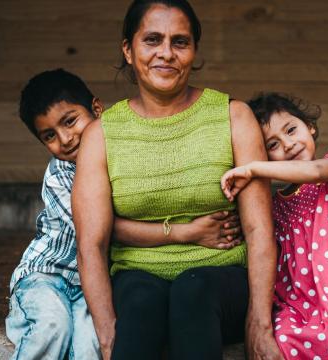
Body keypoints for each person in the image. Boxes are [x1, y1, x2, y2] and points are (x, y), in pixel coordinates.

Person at [72, 1, 281, 360]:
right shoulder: (102, 134)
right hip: (137, 276)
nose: (166, 53)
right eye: (152, 40)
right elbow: (91, 244)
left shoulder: (233, 117)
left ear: (194, 50)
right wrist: (107, 336)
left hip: (220, 279)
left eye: (180, 42)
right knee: (140, 302)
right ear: (128, 48)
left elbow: (260, 229)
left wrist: (259, 324)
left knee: (191, 290)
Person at [6, 68, 241, 360]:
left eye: (70, 122)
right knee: (51, 327)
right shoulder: (61, 174)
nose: (65, 139)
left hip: (89, 284)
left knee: (89, 344)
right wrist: (187, 231)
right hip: (50, 275)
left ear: (96, 108)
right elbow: (101, 231)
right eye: (50, 135)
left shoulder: (117, 151)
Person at [221, 92, 328, 359]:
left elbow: (316, 172)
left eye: (291, 129)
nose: (287, 145)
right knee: (279, 341)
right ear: (266, 156)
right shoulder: (275, 208)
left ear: (309, 126)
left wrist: (252, 168)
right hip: (294, 311)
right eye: (272, 145)